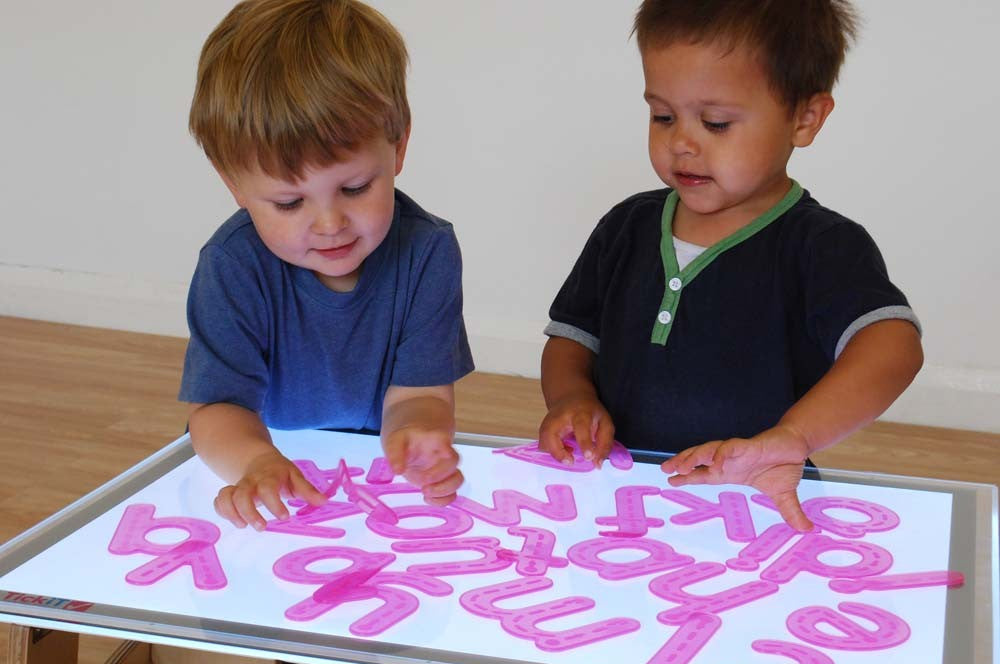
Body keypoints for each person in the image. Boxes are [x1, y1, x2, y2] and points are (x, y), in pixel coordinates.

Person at [538, 0, 923, 532]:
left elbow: (893, 347)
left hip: (755, 502)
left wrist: (795, 437)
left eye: (715, 123)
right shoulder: (626, 226)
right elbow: (572, 339)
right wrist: (571, 399)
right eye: (663, 116)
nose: (681, 142)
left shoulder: (822, 244)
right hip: (616, 498)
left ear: (804, 118)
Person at [180, 0, 474, 532]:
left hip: (368, 483)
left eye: (355, 188)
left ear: (399, 145)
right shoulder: (231, 266)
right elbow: (216, 411)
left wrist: (420, 437)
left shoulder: (427, 250)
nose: (330, 223)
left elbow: (421, 394)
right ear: (235, 186)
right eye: (290, 203)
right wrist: (255, 463)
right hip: (253, 470)